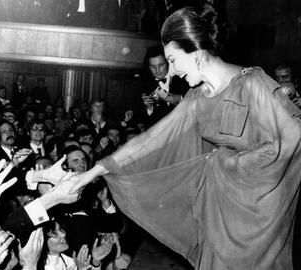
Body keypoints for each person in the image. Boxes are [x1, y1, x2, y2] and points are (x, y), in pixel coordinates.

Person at [70, 5, 301, 270]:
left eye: (173, 59)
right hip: (217, 206)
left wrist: (229, 164)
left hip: (257, 213)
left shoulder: (251, 83)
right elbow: (151, 139)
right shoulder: (196, 98)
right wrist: (94, 172)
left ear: (196, 51)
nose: (172, 70)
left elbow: (292, 139)